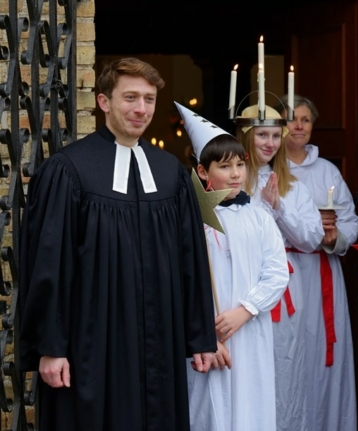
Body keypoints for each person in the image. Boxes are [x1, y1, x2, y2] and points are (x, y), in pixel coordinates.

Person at [19, 58, 217, 431]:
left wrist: (200, 335)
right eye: (130, 97)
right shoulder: (69, 169)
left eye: (149, 99)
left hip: (161, 341)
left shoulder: (170, 172)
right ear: (104, 102)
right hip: (90, 342)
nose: (141, 109)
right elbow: (50, 265)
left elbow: (191, 258)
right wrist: (51, 347)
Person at [177, 103, 289, 431]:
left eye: (240, 164)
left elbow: (277, 272)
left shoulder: (259, 216)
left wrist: (245, 310)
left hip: (250, 330)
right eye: (225, 166)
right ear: (202, 172)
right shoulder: (192, 220)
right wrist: (204, 334)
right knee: (210, 410)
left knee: (250, 407)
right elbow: (184, 278)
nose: (237, 173)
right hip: (207, 334)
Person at [234, 103, 324, 431]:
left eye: (275, 135)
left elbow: (312, 238)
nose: (270, 143)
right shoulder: (231, 181)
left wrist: (279, 208)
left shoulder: (293, 186)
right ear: (246, 138)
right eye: (262, 135)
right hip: (241, 285)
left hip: (284, 289)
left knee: (285, 366)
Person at [280, 95, 358, 431]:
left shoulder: (327, 169)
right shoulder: (270, 167)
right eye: (291, 119)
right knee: (290, 350)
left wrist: (335, 237)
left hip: (322, 270)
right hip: (286, 273)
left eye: (305, 120)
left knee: (323, 356)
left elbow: (350, 219)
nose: (298, 126)